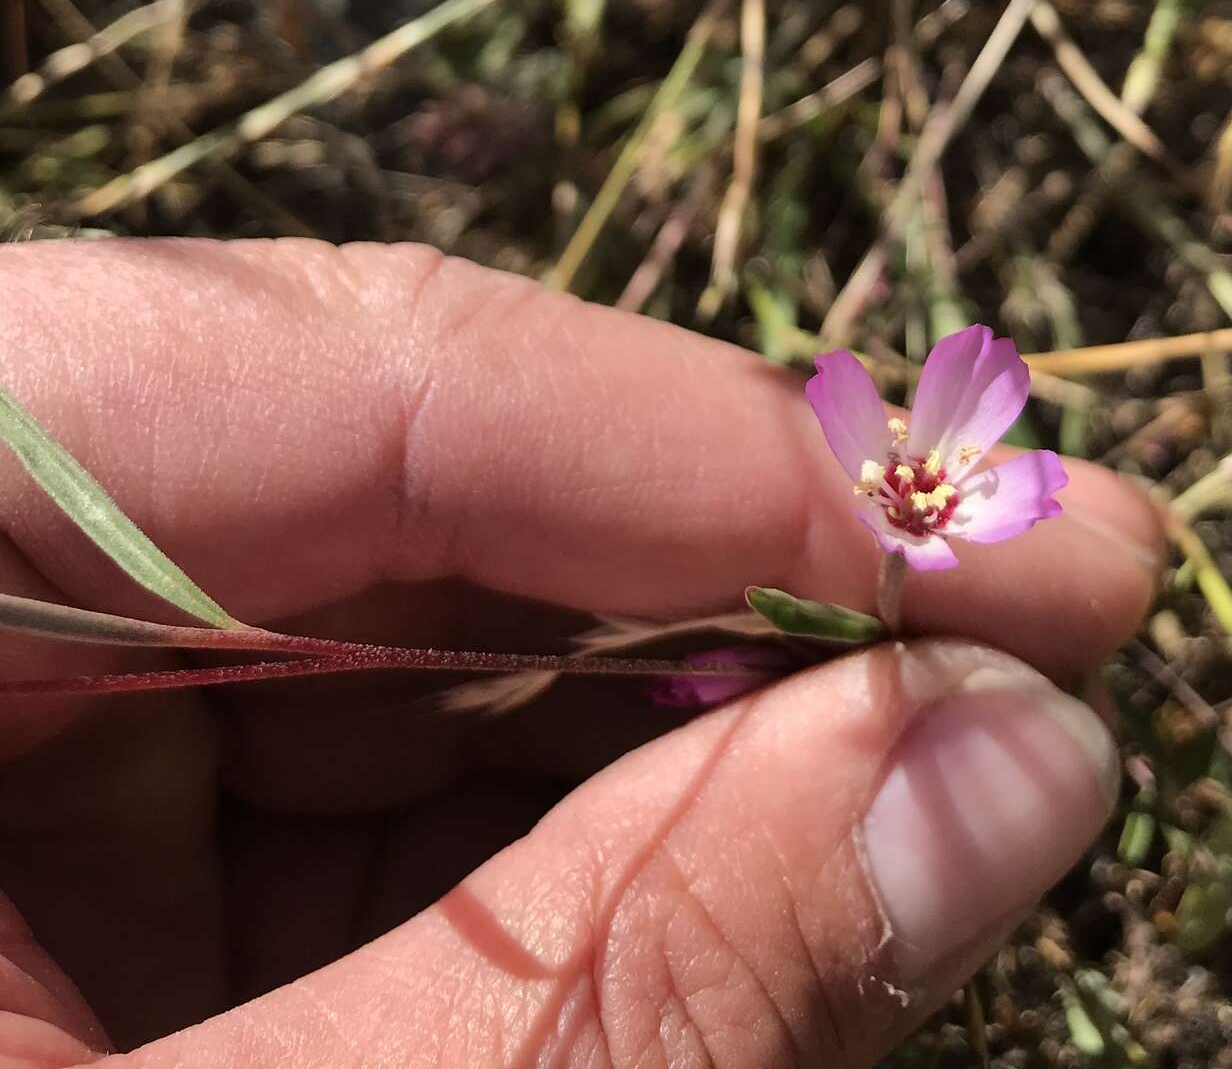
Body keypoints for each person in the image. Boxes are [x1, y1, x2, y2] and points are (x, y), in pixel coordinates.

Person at [0, 239, 1163, 1066]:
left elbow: (1012, 496)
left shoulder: (953, 504)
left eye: (933, 484)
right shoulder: (880, 479)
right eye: (911, 481)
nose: (918, 490)